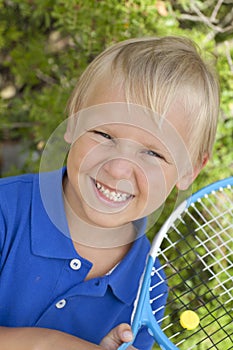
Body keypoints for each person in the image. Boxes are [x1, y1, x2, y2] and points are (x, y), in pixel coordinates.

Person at [0, 36, 219, 350]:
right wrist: (46, 343)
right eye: (104, 134)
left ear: (189, 171)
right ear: (74, 119)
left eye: (153, 154)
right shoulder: (6, 213)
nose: (118, 169)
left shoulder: (148, 289)